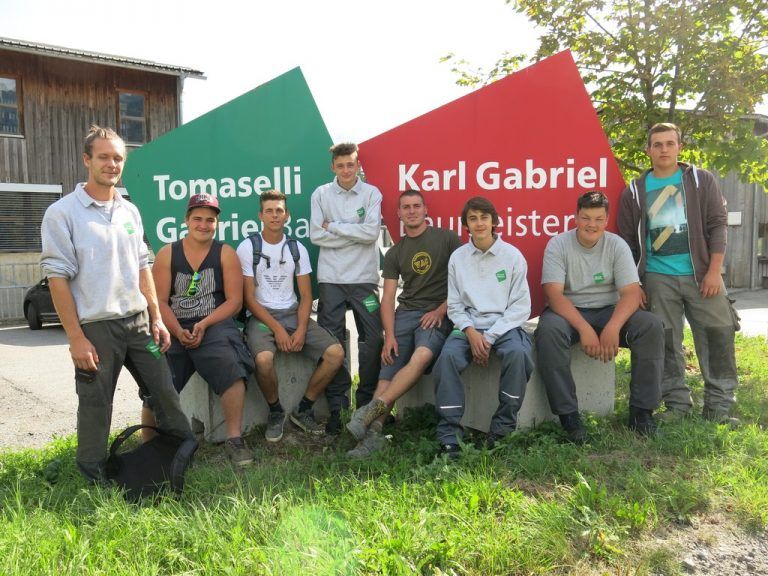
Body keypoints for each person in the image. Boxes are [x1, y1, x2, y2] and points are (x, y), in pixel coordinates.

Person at [40, 125, 192, 483]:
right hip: (96, 327)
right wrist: (76, 338)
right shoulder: (63, 213)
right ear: (87, 160)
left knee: (165, 392)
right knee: (96, 404)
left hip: (139, 323)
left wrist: (156, 317)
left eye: (118, 158)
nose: (112, 164)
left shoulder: (129, 211)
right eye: (104, 157)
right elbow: (57, 279)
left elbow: (142, 267)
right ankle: (93, 475)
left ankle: (180, 456)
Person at [617, 123, 740, 424]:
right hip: (657, 278)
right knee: (667, 342)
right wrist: (636, 284)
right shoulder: (634, 191)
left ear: (679, 147)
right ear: (648, 150)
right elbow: (627, 243)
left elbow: (718, 225)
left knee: (718, 336)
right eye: (657, 144)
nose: (664, 149)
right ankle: (676, 405)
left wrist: (714, 271)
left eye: (669, 143)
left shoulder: (700, 180)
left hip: (703, 275)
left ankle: (719, 407)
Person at [535, 191, 663, 443]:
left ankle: (641, 414)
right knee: (548, 332)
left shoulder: (616, 245)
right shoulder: (558, 244)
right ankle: (569, 419)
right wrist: (585, 329)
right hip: (569, 310)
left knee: (651, 325)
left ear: (606, 220)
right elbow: (553, 295)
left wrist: (613, 327)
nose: (591, 224)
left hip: (609, 309)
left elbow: (631, 293)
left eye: (598, 219)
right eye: (585, 218)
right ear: (575, 218)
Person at [345, 190, 462, 458]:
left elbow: (462, 282)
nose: (412, 211)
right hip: (406, 313)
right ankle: (371, 437)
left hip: (437, 312)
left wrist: (441, 310)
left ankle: (372, 410)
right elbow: (387, 298)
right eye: (406, 207)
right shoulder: (395, 252)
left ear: (425, 209)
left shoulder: (446, 238)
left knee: (422, 356)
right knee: (387, 370)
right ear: (398, 214)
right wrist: (389, 336)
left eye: (416, 206)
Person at [144, 192, 254, 466]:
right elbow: (159, 301)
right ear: (186, 220)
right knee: (155, 379)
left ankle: (234, 438)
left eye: (209, 220)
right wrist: (176, 330)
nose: (203, 225)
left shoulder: (225, 253)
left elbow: (234, 301)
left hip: (214, 323)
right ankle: (148, 444)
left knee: (232, 367)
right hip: (174, 324)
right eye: (197, 219)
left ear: (217, 223)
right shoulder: (167, 253)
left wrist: (204, 324)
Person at [237, 190, 345, 442]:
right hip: (262, 318)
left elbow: (306, 296)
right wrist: (277, 329)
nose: (275, 215)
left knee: (335, 354)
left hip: (292, 313)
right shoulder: (247, 247)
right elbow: (249, 299)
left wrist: (301, 329)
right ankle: (276, 412)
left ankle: (303, 409)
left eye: (279, 211)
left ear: (287, 215)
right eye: (269, 211)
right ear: (260, 215)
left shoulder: (297, 248)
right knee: (263, 360)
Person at [433, 196, 534, 457]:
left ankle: (501, 430)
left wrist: (489, 337)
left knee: (519, 353)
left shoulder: (512, 256)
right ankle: (449, 436)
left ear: (494, 221)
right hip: (467, 326)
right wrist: (470, 332)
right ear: (466, 224)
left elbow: (521, 307)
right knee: (447, 358)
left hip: (504, 326)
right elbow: (454, 305)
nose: (479, 223)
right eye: (473, 218)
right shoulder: (458, 258)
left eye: (484, 218)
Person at [309, 142, 384, 434]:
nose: (346, 170)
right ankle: (338, 410)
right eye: (340, 165)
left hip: (365, 278)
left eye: (350, 164)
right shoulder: (321, 194)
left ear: (358, 165)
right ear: (333, 167)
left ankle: (366, 405)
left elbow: (372, 233)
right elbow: (316, 235)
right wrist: (355, 231)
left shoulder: (372, 193)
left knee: (374, 340)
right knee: (333, 343)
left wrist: (334, 226)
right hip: (331, 279)